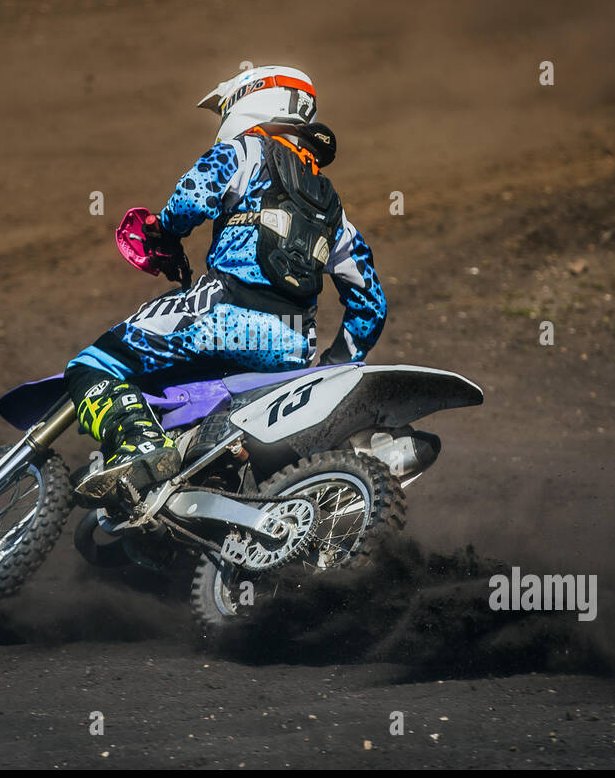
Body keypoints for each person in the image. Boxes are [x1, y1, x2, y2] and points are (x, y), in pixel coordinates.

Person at [66, 65, 387, 505]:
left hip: (221, 316)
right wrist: (330, 367)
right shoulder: (336, 214)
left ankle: (141, 444)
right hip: (290, 349)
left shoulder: (246, 150)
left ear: (252, 100)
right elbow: (370, 305)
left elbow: (191, 198)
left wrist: (168, 230)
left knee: (93, 363)